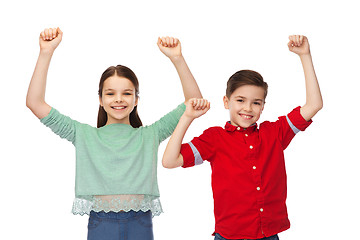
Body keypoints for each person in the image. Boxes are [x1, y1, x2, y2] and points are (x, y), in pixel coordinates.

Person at [26, 27, 202, 240]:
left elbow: (194, 104)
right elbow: (35, 104)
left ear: (136, 99)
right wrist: (46, 52)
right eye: (110, 93)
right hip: (102, 223)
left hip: (140, 222)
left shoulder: (150, 134)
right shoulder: (83, 134)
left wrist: (178, 58)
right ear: (100, 99)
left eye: (126, 93)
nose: (119, 99)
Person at [162, 35, 323, 240]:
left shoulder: (274, 132)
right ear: (226, 102)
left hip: (269, 235)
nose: (248, 108)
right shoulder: (214, 138)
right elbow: (169, 161)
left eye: (256, 102)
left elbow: (314, 105)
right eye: (240, 100)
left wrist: (305, 56)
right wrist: (187, 117)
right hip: (229, 236)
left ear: (263, 106)